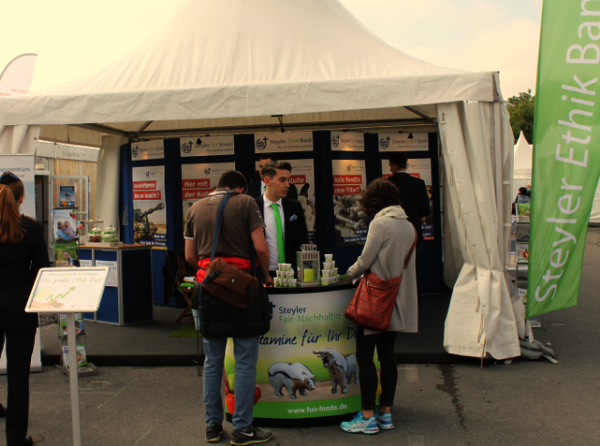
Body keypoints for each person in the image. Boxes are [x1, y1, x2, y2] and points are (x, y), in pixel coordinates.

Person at [184, 170, 274, 445]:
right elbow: (260, 248)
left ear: (218, 186)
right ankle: (243, 429)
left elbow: (189, 256)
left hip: (209, 290)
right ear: (240, 187)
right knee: (245, 361)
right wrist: (267, 276)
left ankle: (212, 426)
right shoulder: (247, 202)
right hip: (242, 290)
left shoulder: (195, 208)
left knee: (212, 361)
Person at [341, 178, 418, 435]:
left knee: (365, 358)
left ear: (374, 201)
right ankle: (385, 414)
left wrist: (348, 274)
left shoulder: (380, 224)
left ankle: (366, 417)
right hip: (396, 301)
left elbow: (365, 260)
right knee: (387, 356)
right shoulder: (408, 226)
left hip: (374, 301)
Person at [0, 172, 50, 446]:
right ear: (21, 198)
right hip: (21, 308)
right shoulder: (29, 227)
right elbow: (42, 269)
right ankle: (15, 440)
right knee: (18, 378)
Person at [254, 162, 309, 275]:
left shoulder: (295, 207)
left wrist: (290, 269)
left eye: (288, 180)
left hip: (291, 274)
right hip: (262, 276)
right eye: (282, 180)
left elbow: (302, 241)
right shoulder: (252, 207)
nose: (288, 185)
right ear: (268, 181)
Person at [386, 153, 430, 246]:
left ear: (395, 165)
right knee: (414, 259)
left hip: (393, 233)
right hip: (414, 232)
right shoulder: (419, 183)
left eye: (390, 166)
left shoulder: (387, 183)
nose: (390, 169)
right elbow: (426, 210)